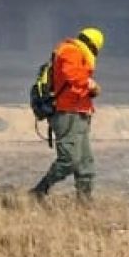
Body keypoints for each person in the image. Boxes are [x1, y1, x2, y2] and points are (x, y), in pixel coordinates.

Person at [30, 27, 104, 203]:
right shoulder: (71, 50)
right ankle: (39, 191)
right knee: (69, 159)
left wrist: (89, 92)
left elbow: (75, 84)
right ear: (92, 45)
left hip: (80, 112)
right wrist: (90, 85)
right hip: (67, 113)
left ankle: (84, 201)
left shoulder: (78, 53)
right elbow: (71, 75)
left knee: (85, 162)